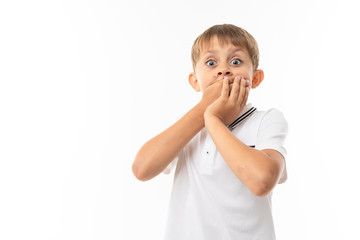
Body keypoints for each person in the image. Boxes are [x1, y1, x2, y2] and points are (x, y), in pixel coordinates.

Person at [132, 24, 288, 240]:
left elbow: (262, 181)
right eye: (211, 63)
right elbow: (141, 168)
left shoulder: (266, 120)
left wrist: (213, 119)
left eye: (235, 61)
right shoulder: (188, 125)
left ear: (255, 78)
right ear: (195, 82)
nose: (223, 70)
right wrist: (203, 110)